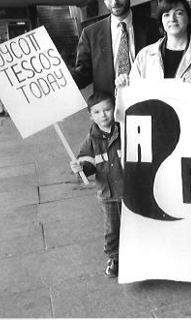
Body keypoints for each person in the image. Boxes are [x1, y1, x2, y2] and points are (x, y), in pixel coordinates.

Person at [71, 0, 161, 94]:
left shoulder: (152, 27)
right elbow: (83, 74)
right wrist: (60, 82)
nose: (114, 2)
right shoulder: (90, 33)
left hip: (144, 101)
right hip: (109, 107)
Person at [69, 92, 123, 278]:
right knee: (112, 229)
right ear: (90, 115)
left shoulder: (125, 130)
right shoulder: (90, 141)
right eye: (97, 112)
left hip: (130, 190)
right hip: (108, 194)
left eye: (107, 109)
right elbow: (88, 166)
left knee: (135, 225)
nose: (103, 115)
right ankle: (114, 258)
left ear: (114, 109)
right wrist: (81, 168)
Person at [116, 0, 191, 85]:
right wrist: (124, 84)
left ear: (189, 19)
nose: (172, 19)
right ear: (161, 21)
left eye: (179, 13)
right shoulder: (144, 55)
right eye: (166, 15)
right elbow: (134, 93)